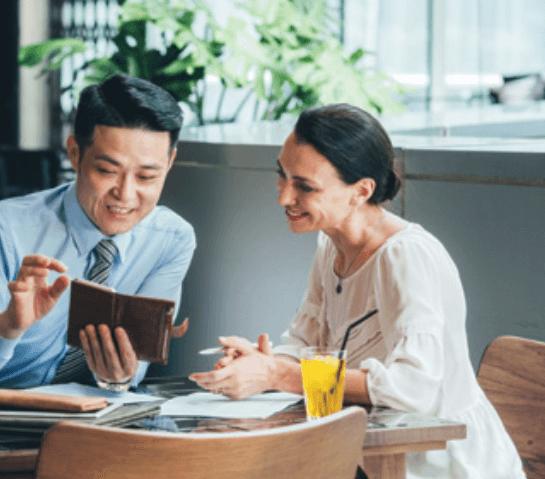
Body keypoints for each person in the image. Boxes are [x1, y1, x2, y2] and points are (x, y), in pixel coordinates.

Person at [189, 104, 523, 478]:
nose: (284, 197)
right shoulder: (330, 245)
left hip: (438, 464)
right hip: (365, 454)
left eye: (305, 186)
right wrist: (264, 360)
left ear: (361, 191)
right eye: (281, 175)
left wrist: (276, 375)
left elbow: (414, 390)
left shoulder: (405, 255)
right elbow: (309, 346)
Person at [0, 74, 195, 394]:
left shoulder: (171, 240)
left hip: (82, 424)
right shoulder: (3, 228)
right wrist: (8, 326)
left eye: (146, 176)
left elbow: (132, 370)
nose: (126, 195)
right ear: (75, 153)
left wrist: (119, 374)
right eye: (106, 171)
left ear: (170, 163)